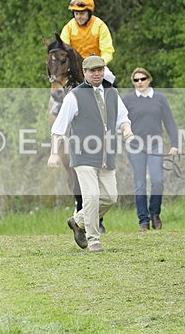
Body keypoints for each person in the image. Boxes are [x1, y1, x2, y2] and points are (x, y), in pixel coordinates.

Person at [48, 55, 133, 252]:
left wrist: (127, 131)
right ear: (85, 73)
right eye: (93, 71)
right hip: (83, 154)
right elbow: (59, 128)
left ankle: (78, 221)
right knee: (92, 197)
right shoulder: (74, 96)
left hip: (106, 155)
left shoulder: (112, 93)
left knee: (111, 197)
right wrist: (53, 154)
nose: (97, 74)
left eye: (100, 70)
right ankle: (94, 240)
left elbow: (123, 117)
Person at [122, 67, 179, 231]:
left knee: (157, 181)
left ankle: (155, 213)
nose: (139, 82)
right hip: (135, 146)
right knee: (139, 183)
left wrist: (174, 144)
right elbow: (121, 122)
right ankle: (143, 220)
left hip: (155, 144)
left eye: (142, 79)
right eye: (136, 80)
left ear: (149, 79)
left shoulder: (159, 98)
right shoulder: (128, 100)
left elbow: (169, 122)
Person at [60, 0, 116, 85]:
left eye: (82, 13)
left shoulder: (100, 25)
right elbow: (63, 50)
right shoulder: (68, 27)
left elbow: (107, 50)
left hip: (96, 66)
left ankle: (114, 98)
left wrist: (99, 63)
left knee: (110, 78)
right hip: (75, 67)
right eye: (76, 13)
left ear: (89, 12)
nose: (78, 17)